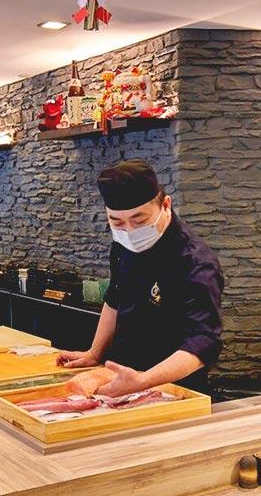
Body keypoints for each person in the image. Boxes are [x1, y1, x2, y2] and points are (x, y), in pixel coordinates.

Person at [56, 160, 225, 396]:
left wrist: (144, 380)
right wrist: (95, 353)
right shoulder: (122, 243)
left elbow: (204, 341)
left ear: (165, 205)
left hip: (173, 388)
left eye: (140, 220)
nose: (130, 231)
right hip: (118, 377)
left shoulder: (196, 261)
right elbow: (115, 296)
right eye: (117, 222)